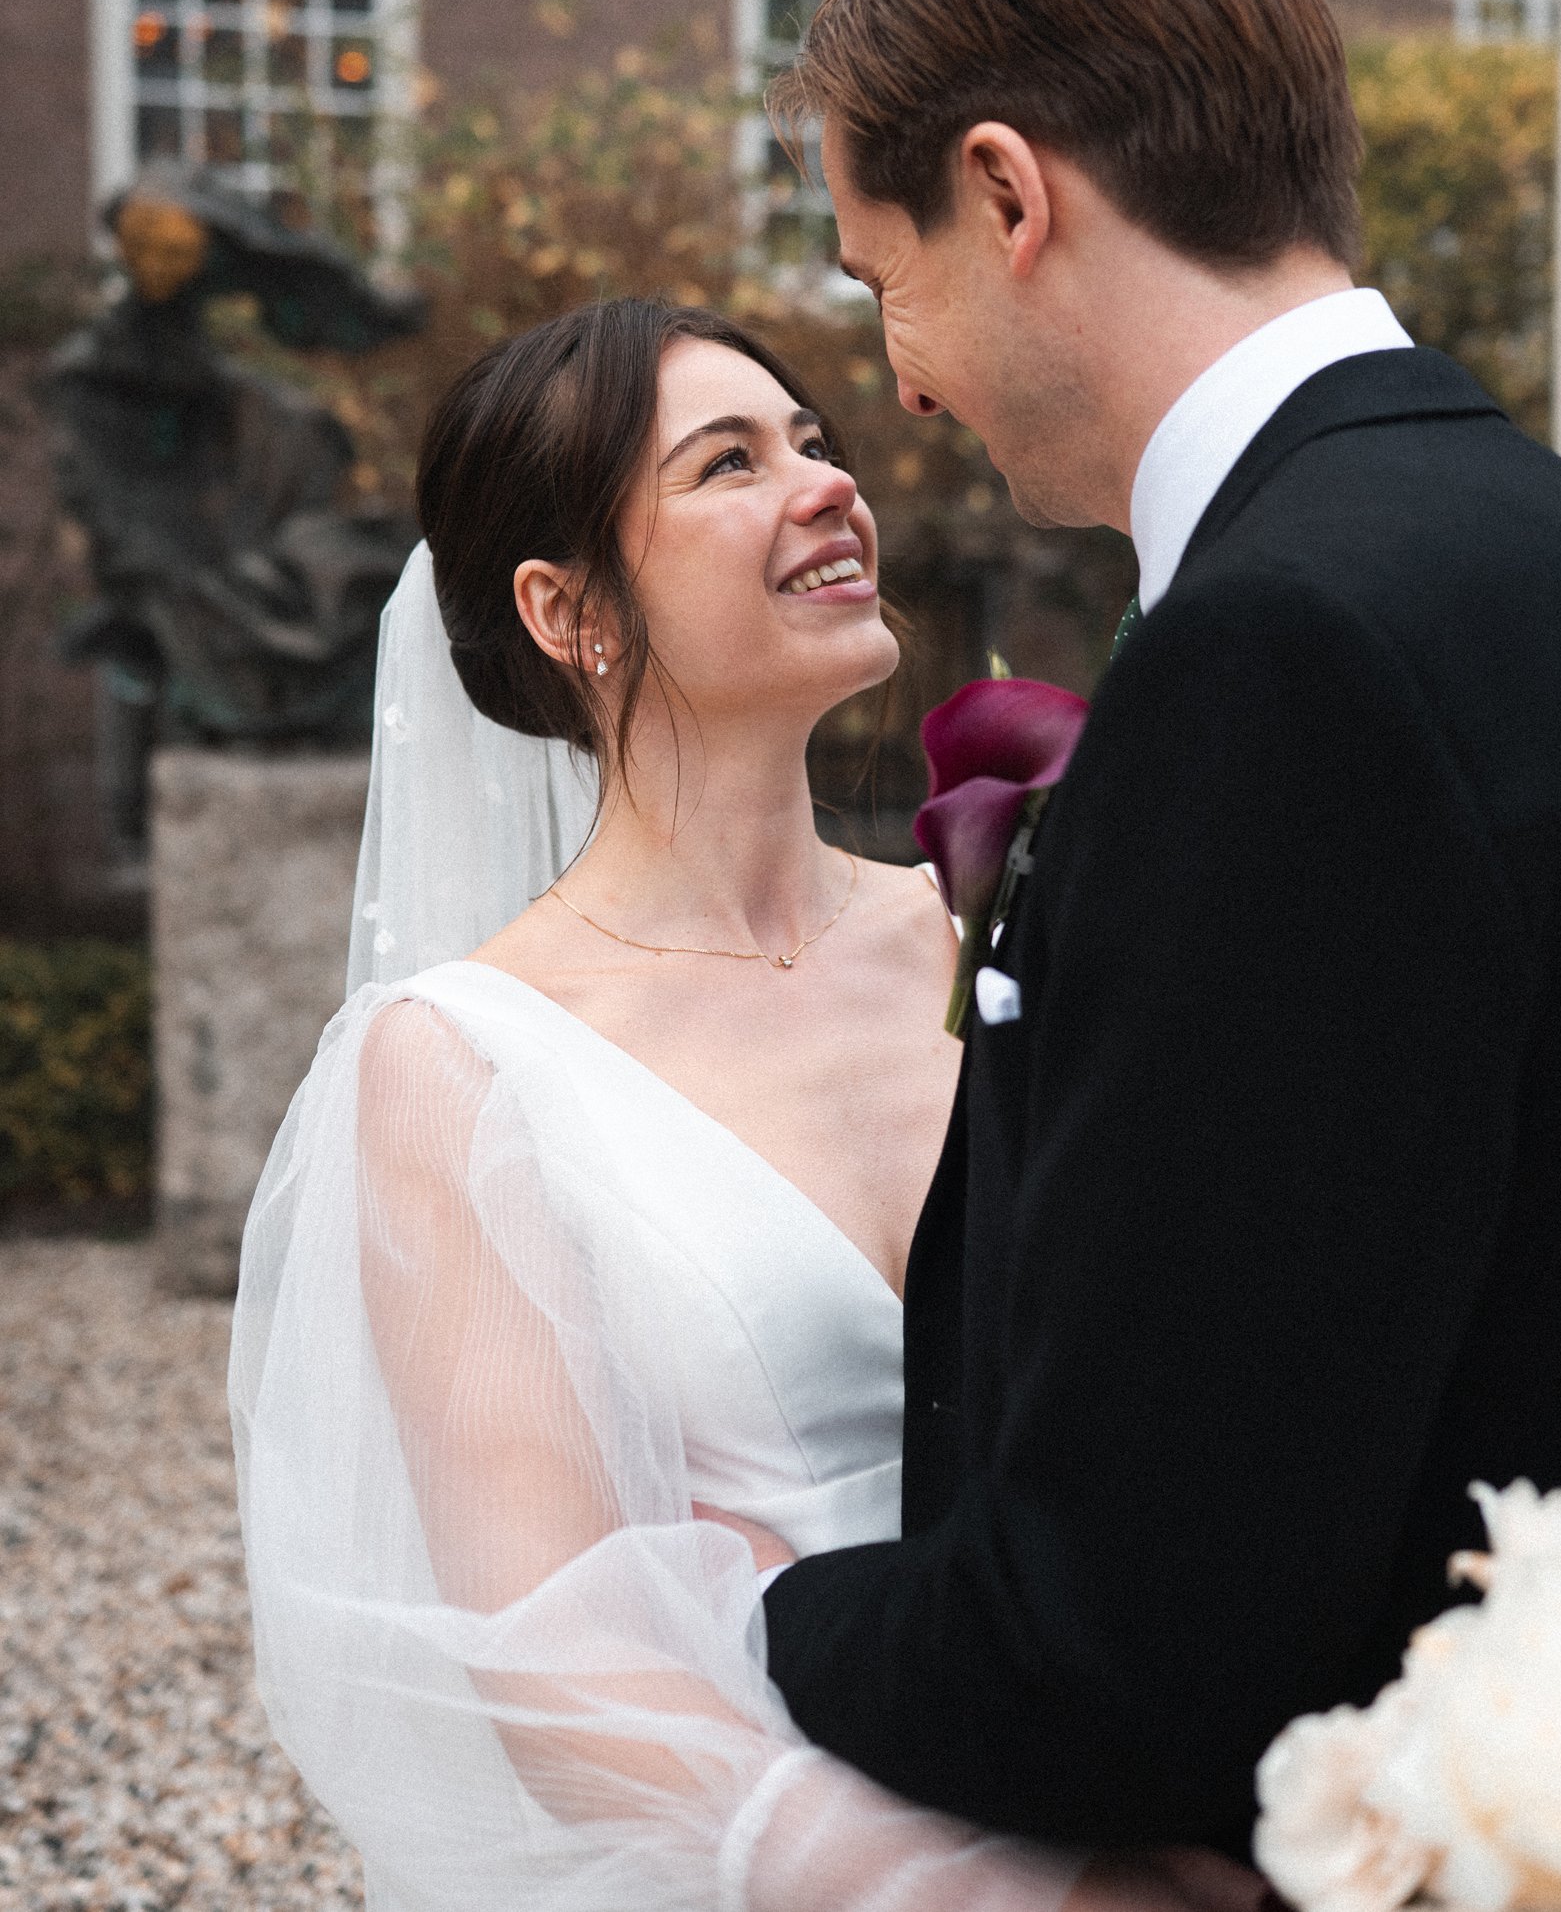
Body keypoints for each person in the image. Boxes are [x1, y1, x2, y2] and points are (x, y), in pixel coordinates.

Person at [748, 0, 1561, 1857]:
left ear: (1006, 195)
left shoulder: (1281, 656)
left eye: (884, 276)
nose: (896, 376)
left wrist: (757, 1614)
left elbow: (1131, 1642)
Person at [229, 296, 1259, 1912]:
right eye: (729, 462)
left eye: (816, 443)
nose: (825, 486)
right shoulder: (457, 1066)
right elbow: (554, 1656)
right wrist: (998, 1894)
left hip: (1149, 1774)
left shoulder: (997, 929)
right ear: (569, 609)